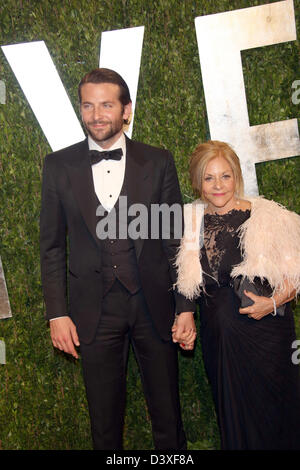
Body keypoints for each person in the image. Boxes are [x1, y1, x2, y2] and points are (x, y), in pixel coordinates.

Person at [40, 68, 196, 450]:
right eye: (88, 105)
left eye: (106, 105)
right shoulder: (58, 166)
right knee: (104, 423)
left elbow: (175, 238)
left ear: (126, 110)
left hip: (153, 303)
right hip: (93, 310)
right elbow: (51, 246)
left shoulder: (158, 161)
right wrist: (57, 313)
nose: (96, 114)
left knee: (167, 416)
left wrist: (186, 306)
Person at [173, 140, 300, 450]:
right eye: (209, 177)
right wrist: (184, 314)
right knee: (233, 417)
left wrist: (271, 303)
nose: (218, 186)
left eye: (225, 176)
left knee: (277, 414)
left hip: (267, 334)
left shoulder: (266, 216)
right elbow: (186, 281)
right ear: (197, 181)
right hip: (221, 339)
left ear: (236, 177)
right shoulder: (188, 222)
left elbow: (295, 274)